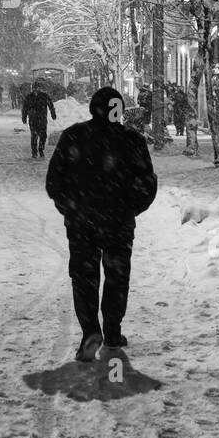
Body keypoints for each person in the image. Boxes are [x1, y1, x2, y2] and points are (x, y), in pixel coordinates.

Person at [45, 86, 157, 362]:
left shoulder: (73, 137)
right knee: (117, 277)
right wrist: (130, 209)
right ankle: (113, 330)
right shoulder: (132, 141)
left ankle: (90, 332)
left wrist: (70, 209)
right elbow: (147, 184)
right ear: (119, 110)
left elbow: (53, 183)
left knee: (84, 279)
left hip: (81, 223)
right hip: (118, 223)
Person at [21, 80, 57, 159]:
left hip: (42, 118)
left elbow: (50, 105)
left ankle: (41, 149)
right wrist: (24, 117)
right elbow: (25, 108)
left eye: (38, 88)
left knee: (43, 135)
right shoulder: (29, 97)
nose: (36, 89)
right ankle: (34, 151)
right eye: (35, 88)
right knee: (34, 136)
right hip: (33, 119)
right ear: (33, 88)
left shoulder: (44, 96)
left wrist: (53, 114)